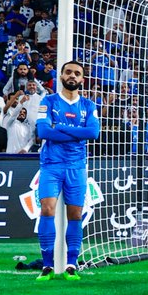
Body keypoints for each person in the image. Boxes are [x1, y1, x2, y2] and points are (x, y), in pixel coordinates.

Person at [33, 61, 101, 282]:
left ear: (82, 79)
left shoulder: (89, 105)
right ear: (61, 75)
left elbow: (93, 133)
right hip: (51, 165)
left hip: (76, 166)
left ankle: (71, 264)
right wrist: (76, 132)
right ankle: (47, 265)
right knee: (47, 209)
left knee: (75, 215)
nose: (73, 76)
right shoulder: (48, 101)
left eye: (77, 73)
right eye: (69, 72)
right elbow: (43, 130)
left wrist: (59, 128)